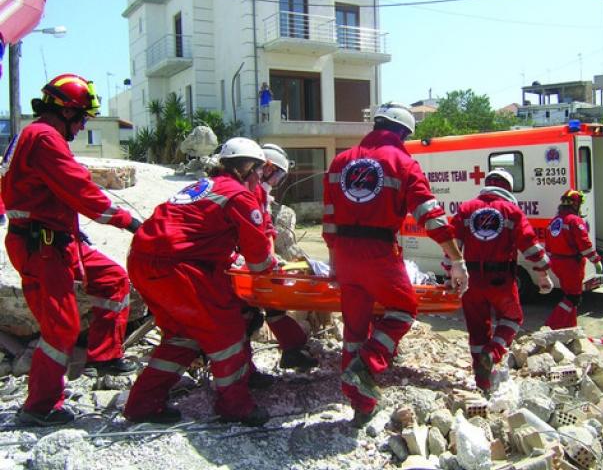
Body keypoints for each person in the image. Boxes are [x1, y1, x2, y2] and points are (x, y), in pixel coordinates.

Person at [1, 74, 140, 426]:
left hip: (56, 238)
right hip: (42, 244)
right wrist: (129, 222)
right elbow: (78, 189)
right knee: (60, 328)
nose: (81, 127)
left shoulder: (35, 136)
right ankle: (40, 407)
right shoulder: (45, 138)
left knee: (112, 280)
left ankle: (105, 356)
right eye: (81, 119)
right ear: (66, 111)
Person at [322, 102, 468, 428]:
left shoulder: (340, 162)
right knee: (403, 308)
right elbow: (430, 216)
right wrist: (456, 259)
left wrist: (333, 260)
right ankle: (367, 365)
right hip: (378, 252)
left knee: (354, 330)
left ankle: (361, 405)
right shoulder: (402, 162)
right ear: (402, 132)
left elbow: (329, 218)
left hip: (344, 253)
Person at [123, 137, 276, 425]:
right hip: (177, 267)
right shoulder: (239, 196)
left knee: (182, 335)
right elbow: (259, 260)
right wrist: (272, 267)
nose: (260, 178)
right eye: (260, 171)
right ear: (248, 168)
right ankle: (235, 406)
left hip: (144, 261)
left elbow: (196, 232)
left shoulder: (204, 186)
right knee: (227, 331)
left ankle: (142, 405)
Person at [450, 170, 552, 393]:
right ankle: (493, 351)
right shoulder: (512, 211)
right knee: (512, 317)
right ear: (508, 187)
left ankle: (482, 382)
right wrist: (543, 271)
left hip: (470, 281)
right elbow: (530, 245)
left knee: (477, 330)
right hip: (501, 280)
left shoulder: (466, 209)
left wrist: (451, 271)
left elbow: (452, 245)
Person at [243, 143, 318, 376]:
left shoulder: (258, 194)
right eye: (276, 176)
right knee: (246, 317)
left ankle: (293, 350)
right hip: (237, 261)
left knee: (273, 304)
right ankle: (241, 372)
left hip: (252, 261)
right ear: (265, 168)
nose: (275, 182)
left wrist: (272, 262)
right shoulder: (243, 193)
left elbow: (266, 231)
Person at [544, 190, 603, 330]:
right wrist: (596, 260)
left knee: (569, 295)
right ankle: (551, 325)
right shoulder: (574, 220)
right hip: (571, 265)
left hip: (557, 262)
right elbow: (584, 244)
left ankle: (570, 327)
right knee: (573, 298)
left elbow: (548, 245)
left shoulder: (554, 221)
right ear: (576, 204)